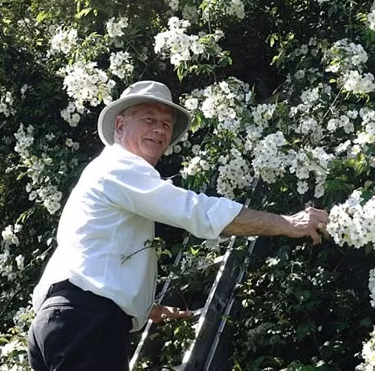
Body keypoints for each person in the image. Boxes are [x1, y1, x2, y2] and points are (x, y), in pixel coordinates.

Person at [27, 80, 329, 371]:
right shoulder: (119, 167)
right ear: (120, 126)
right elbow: (196, 211)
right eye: (149, 119)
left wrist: (146, 309)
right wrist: (288, 223)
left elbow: (99, 257)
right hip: (85, 322)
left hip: (58, 324)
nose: (159, 130)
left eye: (167, 124)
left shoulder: (111, 175)